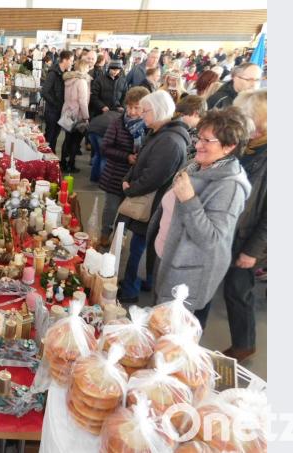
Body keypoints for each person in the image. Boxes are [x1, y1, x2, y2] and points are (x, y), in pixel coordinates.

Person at [150, 107, 252, 327]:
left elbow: (212, 239)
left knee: (173, 338)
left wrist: (189, 200)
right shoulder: (197, 166)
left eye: (207, 140)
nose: (197, 145)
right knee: (159, 323)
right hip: (168, 257)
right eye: (198, 137)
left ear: (229, 146)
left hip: (188, 275)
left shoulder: (230, 187)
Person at [117, 91, 189, 303]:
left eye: (145, 111)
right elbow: (140, 161)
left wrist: (130, 188)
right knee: (142, 246)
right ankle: (140, 281)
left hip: (153, 205)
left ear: (158, 111)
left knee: (139, 247)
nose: (141, 115)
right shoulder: (158, 134)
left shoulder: (170, 142)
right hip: (149, 200)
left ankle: (131, 289)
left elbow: (153, 177)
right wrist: (128, 178)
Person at [223, 89, 267, 361]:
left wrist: (253, 250)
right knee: (233, 289)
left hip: (246, 236)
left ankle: (244, 343)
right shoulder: (249, 147)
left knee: (239, 292)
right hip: (231, 230)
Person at [96, 87, 150, 246]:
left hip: (134, 178)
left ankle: (120, 238)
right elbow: (105, 148)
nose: (132, 112)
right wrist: (127, 157)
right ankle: (105, 234)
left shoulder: (149, 127)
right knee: (111, 208)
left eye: (136, 107)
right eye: (129, 107)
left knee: (127, 210)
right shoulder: (118, 123)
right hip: (115, 175)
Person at [59, 59, 92, 173]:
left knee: (67, 139)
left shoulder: (69, 79)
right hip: (77, 114)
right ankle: (71, 164)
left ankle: (62, 163)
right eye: (88, 67)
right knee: (75, 141)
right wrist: (86, 117)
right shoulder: (82, 81)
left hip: (67, 112)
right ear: (84, 68)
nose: (89, 69)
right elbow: (82, 101)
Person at [42, 50, 74, 154]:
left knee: (55, 136)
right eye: (71, 60)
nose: (72, 63)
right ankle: (45, 159)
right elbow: (44, 92)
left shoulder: (64, 73)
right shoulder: (53, 73)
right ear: (65, 60)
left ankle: (52, 158)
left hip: (60, 111)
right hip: (52, 111)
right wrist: (56, 104)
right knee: (49, 136)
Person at [172, 95, 207, 161]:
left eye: (183, 115)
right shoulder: (192, 128)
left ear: (195, 113)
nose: (180, 118)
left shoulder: (203, 134)